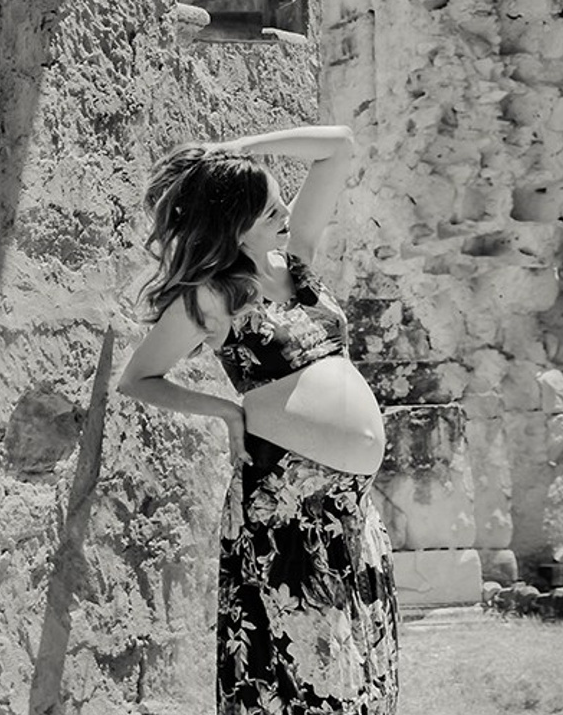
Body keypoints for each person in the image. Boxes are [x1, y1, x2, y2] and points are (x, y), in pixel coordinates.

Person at [119, 122, 398, 713]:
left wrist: (239, 152)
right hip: (286, 513)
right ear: (235, 226)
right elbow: (137, 379)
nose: (282, 211)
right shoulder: (212, 297)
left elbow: (339, 146)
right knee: (300, 684)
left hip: (348, 511)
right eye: (268, 207)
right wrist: (224, 410)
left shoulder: (294, 258)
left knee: (361, 684)